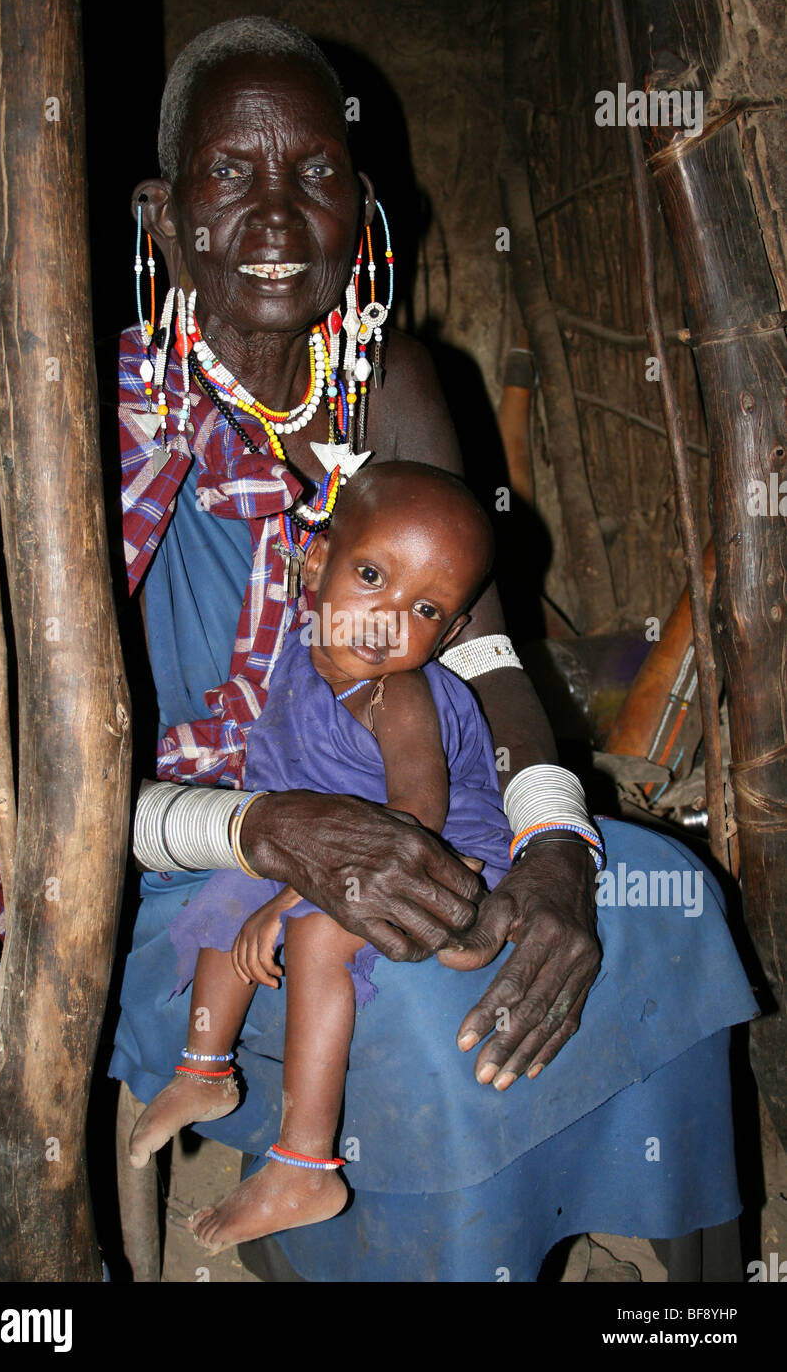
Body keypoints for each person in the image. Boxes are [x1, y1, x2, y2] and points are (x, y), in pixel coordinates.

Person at [112, 16, 757, 1281]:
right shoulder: (103, 421)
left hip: (420, 804)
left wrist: (554, 843)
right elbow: (53, 776)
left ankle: (699, 1292)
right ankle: (358, 1225)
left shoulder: (394, 386)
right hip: (185, 855)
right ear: (165, 210)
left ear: (362, 209)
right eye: (232, 173)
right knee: (413, 992)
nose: (279, 213)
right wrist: (263, 828)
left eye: (314, 175)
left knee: (660, 904)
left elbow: (482, 655)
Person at [129, 463, 518, 1252]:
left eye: (425, 609)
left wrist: (295, 900)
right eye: (372, 575)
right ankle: (204, 1070)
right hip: (335, 842)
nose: (386, 617)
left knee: (315, 937)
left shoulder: (398, 694)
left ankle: (306, 1164)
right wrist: (272, 881)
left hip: (436, 848)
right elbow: (284, 797)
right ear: (317, 564)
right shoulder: (294, 665)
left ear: (447, 634)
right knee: (227, 886)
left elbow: (414, 821)